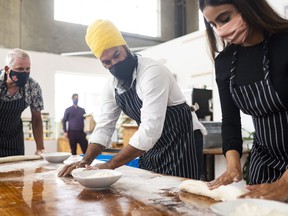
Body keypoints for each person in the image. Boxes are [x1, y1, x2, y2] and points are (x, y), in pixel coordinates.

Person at [58, 19, 200, 179]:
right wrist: (86, 160)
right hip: (149, 146)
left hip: (181, 141)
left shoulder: (152, 72)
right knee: (150, 191)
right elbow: (104, 127)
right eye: (107, 62)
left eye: (116, 55)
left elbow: (150, 129)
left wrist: (109, 165)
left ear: (125, 46)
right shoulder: (112, 86)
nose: (114, 63)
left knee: (179, 194)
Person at [199, 0, 288, 201]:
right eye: (214, 25)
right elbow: (230, 120)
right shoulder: (225, 62)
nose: (221, 30)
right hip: (263, 163)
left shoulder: (284, 43)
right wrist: (233, 165)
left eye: (225, 18)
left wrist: (285, 184)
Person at [0, 48, 45, 157]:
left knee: (16, 172)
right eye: (19, 69)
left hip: (14, 140)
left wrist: (40, 148)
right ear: (7, 69)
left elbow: (37, 119)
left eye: (27, 69)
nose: (24, 73)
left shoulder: (32, 86)